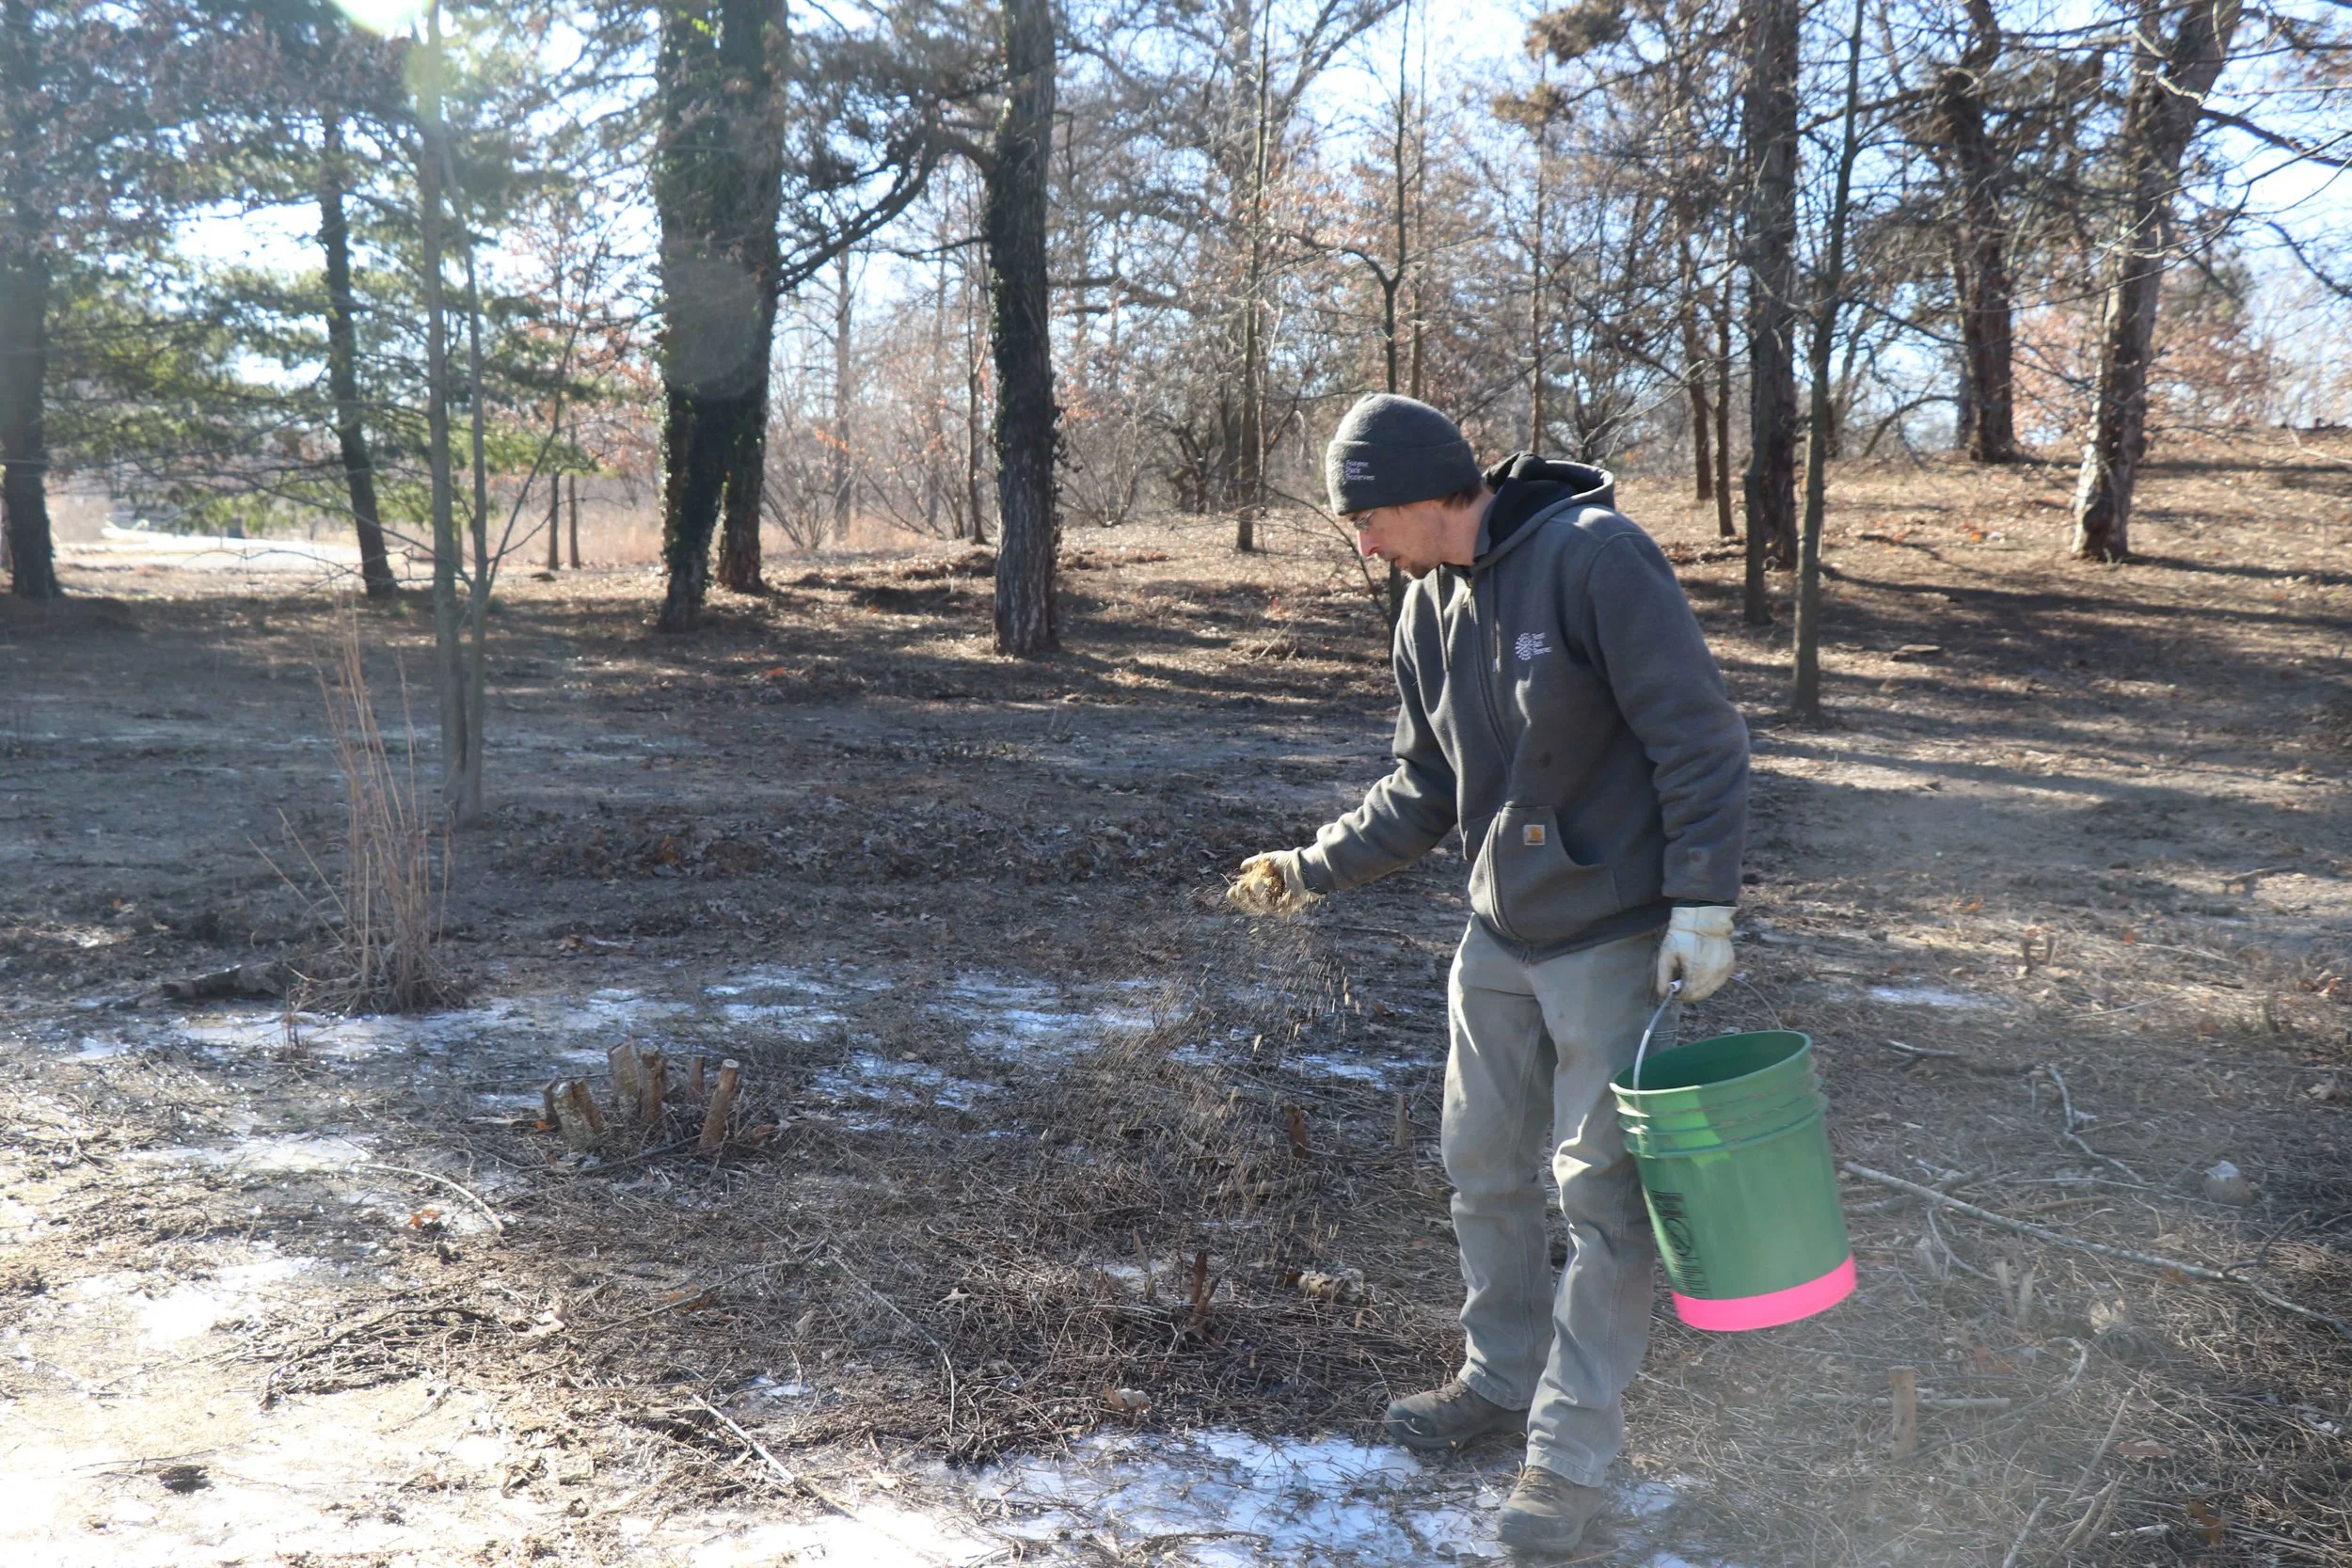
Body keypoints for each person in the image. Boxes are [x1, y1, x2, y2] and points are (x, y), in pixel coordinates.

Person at [1228, 393, 1748, 1559]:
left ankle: (1566, 1463)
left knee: (1603, 1206)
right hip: (1496, 940)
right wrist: (1305, 868)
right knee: (1481, 1171)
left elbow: (1697, 732)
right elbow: (1421, 787)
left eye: (1364, 518)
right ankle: (1498, 1380)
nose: (1360, 544)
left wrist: (1703, 903)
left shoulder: (1593, 556)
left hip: (1615, 936)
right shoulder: (1423, 608)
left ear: (1424, 492)